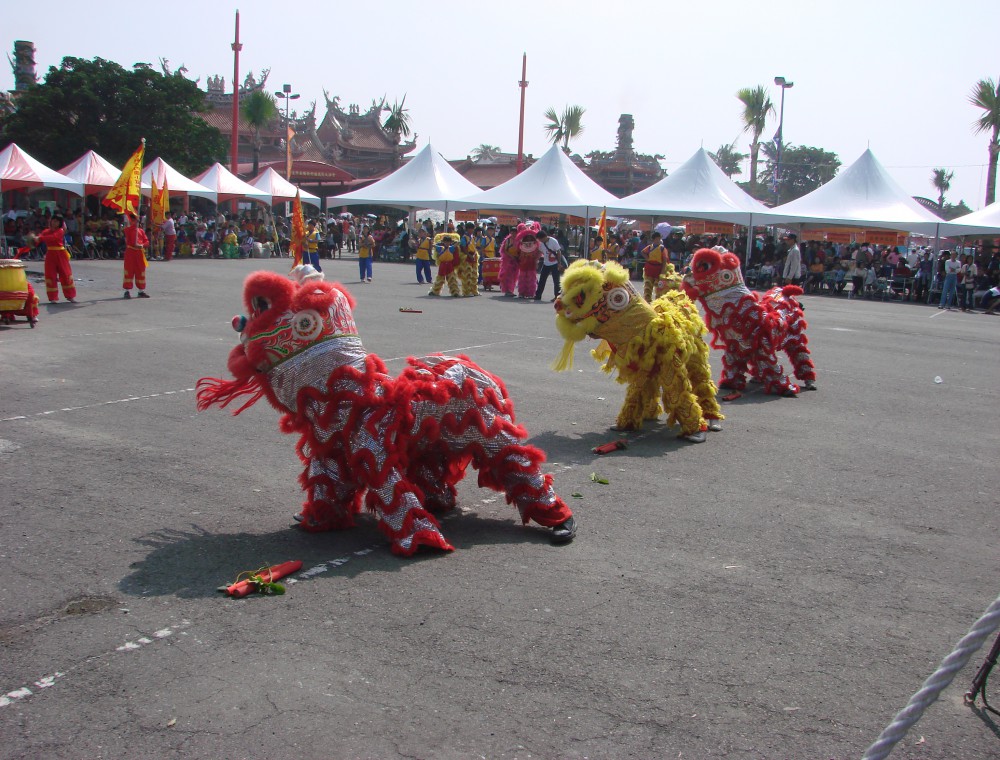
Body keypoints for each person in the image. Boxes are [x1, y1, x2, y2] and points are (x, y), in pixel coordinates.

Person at [37, 214, 77, 303]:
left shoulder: (60, 231)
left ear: (60, 223)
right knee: (50, 275)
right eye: (53, 220)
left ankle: (70, 295)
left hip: (61, 254)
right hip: (50, 254)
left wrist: (40, 238)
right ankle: (53, 297)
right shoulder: (46, 231)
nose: (54, 223)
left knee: (66, 274)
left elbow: (53, 237)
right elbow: (39, 240)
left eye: (57, 221)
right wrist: (34, 239)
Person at [122, 213, 150, 299]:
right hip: (130, 252)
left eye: (136, 220)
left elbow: (147, 242)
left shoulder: (141, 231)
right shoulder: (127, 230)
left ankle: (141, 291)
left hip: (139, 253)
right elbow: (127, 236)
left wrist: (142, 245)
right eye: (133, 220)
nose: (135, 222)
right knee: (129, 271)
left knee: (140, 271)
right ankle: (127, 291)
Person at [534, 228, 564, 301]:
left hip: (555, 263)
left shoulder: (553, 241)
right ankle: (538, 295)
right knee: (542, 280)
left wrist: (559, 263)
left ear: (544, 237)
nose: (540, 241)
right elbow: (540, 252)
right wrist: (536, 260)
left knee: (556, 281)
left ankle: (557, 296)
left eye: (540, 239)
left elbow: (558, 252)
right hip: (546, 263)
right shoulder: (542, 243)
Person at [428, 233, 460, 297]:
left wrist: (454, 240)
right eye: (445, 242)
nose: (447, 243)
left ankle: (455, 292)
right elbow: (433, 245)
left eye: (448, 242)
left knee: (452, 279)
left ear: (450, 242)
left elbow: (458, 243)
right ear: (443, 242)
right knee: (439, 279)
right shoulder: (440, 248)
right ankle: (435, 291)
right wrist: (431, 241)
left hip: (450, 265)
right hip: (443, 265)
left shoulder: (451, 248)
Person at [640, 231, 667, 301]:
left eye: (659, 239)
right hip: (649, 267)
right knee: (648, 285)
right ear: (654, 239)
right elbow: (642, 252)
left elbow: (665, 259)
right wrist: (647, 258)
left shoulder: (662, 248)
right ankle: (647, 300)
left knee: (659, 286)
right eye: (657, 239)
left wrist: (663, 270)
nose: (659, 240)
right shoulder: (649, 247)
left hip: (658, 268)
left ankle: (658, 301)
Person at [457, 223, 480, 297]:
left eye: (473, 229)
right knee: (467, 275)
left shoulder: (472, 237)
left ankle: (474, 290)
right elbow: (463, 248)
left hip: (473, 257)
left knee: (474, 275)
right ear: (467, 229)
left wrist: (474, 255)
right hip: (467, 257)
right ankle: (466, 292)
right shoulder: (464, 238)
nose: (472, 230)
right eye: (470, 228)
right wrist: (469, 255)